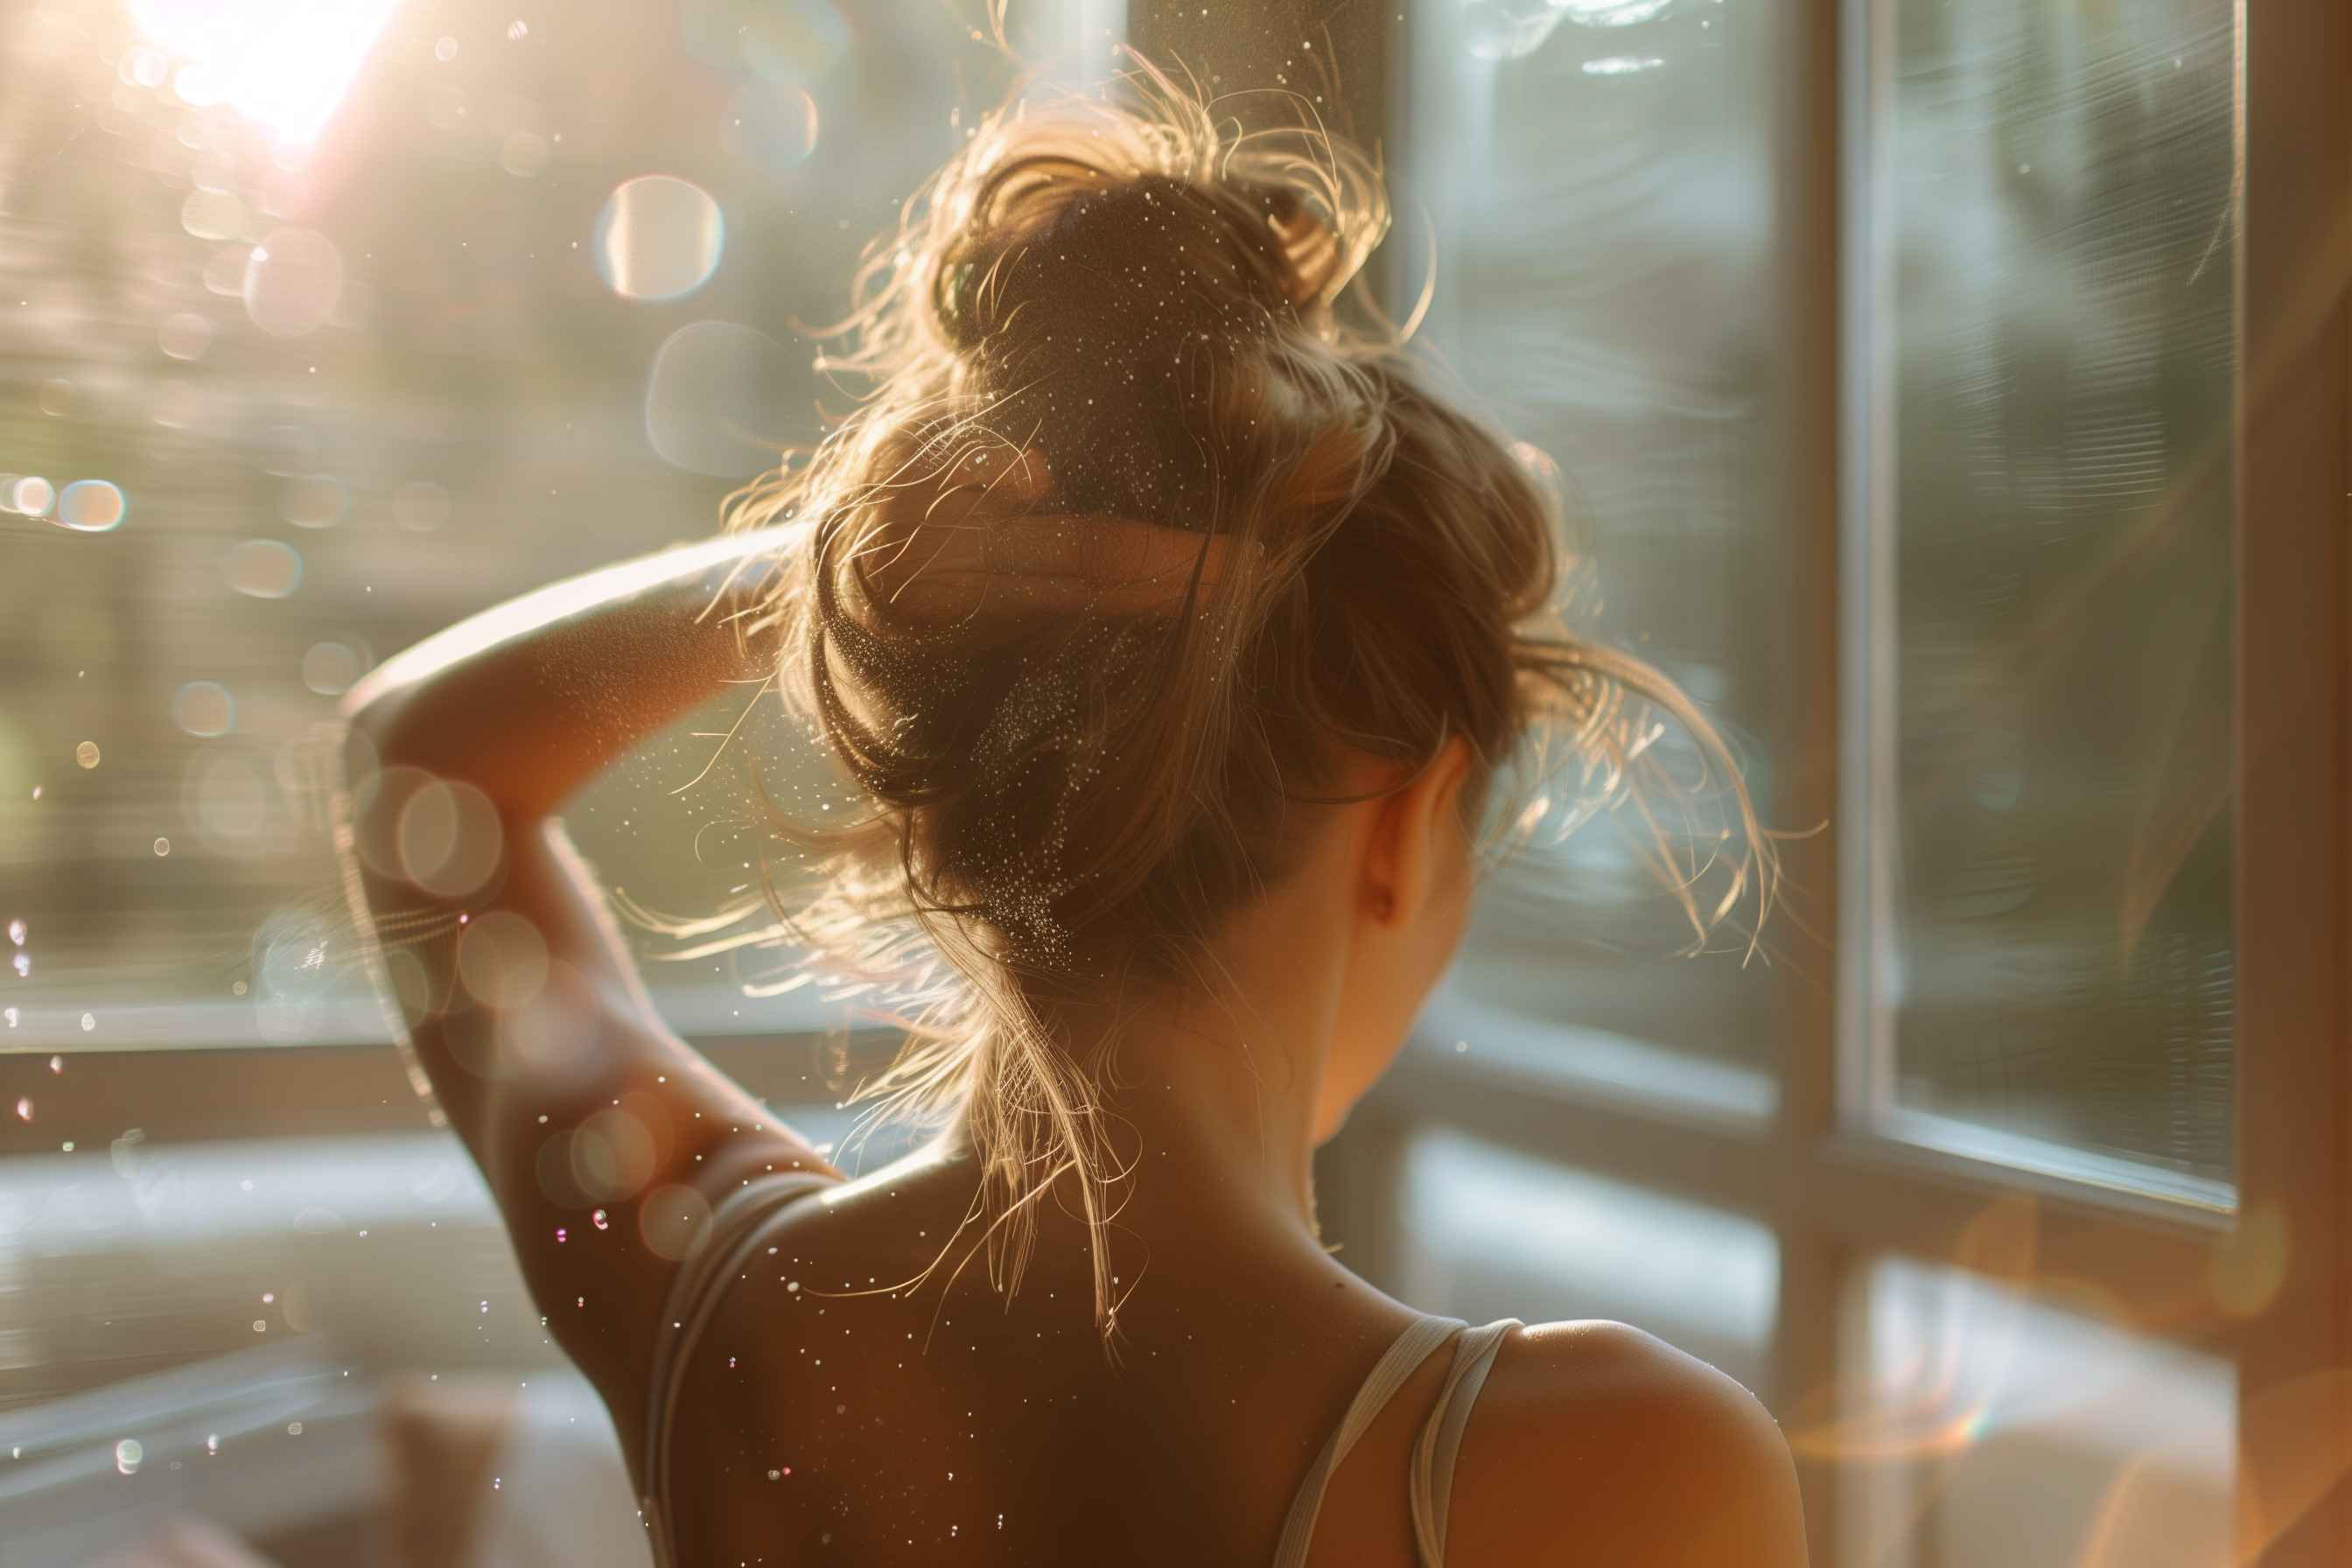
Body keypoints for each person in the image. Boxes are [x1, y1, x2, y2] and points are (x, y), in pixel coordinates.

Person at [338, 57, 1806, 1568]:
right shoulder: (1604, 1473)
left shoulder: (723, 1323)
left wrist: (827, 576)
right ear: (1405, 815)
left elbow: (420, 764)